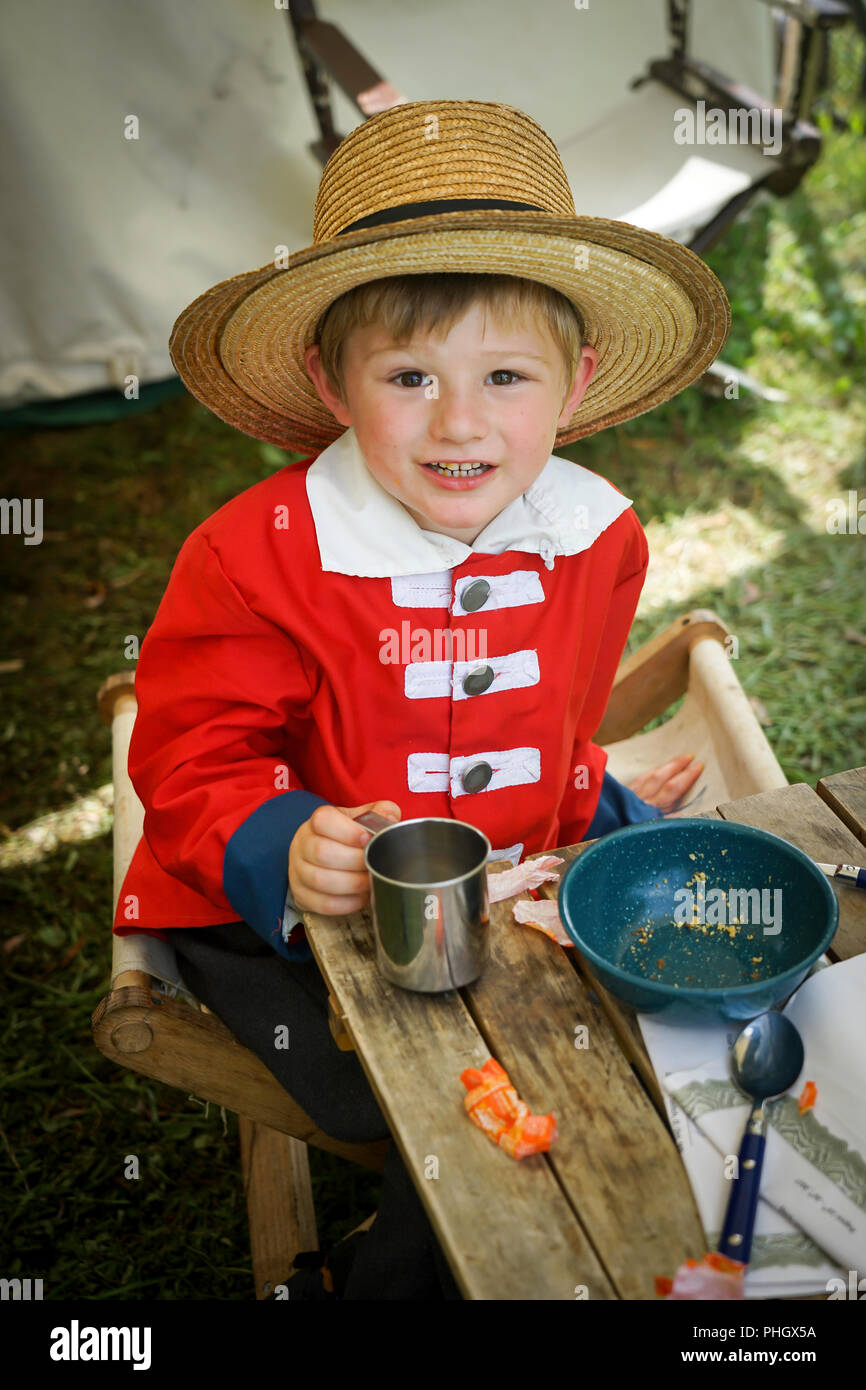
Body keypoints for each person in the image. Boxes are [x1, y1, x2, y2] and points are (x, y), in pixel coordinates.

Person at [114, 99, 730, 1299]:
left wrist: (582, 786)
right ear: (330, 382)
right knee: (418, 1082)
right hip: (284, 906)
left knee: (676, 981)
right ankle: (392, 1279)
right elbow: (191, 759)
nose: (459, 423)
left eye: (505, 375)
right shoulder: (261, 554)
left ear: (574, 382)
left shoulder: (596, 537)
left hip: (507, 884)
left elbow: (548, 712)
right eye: (409, 375)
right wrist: (288, 847)